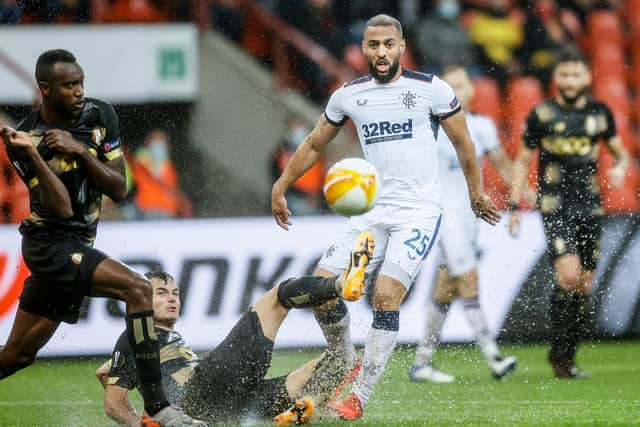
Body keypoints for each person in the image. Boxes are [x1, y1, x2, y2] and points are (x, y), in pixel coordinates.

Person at [271, 14, 500, 420]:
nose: (381, 52)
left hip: (419, 212)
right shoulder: (348, 96)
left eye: (388, 44)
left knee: (385, 296)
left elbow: (464, 143)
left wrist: (476, 194)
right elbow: (312, 144)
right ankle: (344, 357)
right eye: (373, 45)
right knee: (320, 288)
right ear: (363, 49)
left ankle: (360, 392)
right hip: (370, 210)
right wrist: (281, 185)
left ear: (401, 45)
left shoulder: (431, 89)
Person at [0, 49, 203, 426]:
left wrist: (80, 151)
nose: (78, 91)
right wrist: (38, 157)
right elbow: (60, 208)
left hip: (78, 246)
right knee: (139, 290)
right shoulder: (26, 139)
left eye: (80, 82)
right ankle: (159, 407)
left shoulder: (100, 115)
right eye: (68, 85)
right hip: (49, 246)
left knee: (16, 356)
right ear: (45, 89)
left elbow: (118, 188)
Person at [96, 231, 375, 426]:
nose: (172, 298)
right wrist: (140, 423)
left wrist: (132, 384)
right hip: (202, 390)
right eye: (161, 293)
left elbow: (104, 372)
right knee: (277, 298)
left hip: (231, 405)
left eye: (175, 293)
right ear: (143, 298)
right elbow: (113, 401)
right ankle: (340, 285)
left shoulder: (151, 342)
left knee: (335, 362)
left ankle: (307, 407)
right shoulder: (137, 332)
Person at [509, 49, 629, 378]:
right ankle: (559, 354)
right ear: (555, 79)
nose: (570, 81)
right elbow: (522, 160)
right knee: (569, 276)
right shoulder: (542, 114)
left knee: (583, 286)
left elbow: (622, 154)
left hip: (590, 206)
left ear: (587, 78)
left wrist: (619, 169)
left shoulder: (600, 114)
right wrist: (516, 203)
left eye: (576, 75)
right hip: (555, 205)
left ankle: (566, 354)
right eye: (564, 75)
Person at [410, 65, 517, 383]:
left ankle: (422, 363)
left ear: (472, 90)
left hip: (471, 218)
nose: (457, 91)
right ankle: (494, 357)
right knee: (468, 281)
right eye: (450, 85)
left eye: (461, 84)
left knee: (447, 289)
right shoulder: (430, 127)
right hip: (446, 217)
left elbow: (503, 166)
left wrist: (518, 197)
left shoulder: (482, 126)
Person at [131, 128, 192, 219]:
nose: (159, 146)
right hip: (148, 208)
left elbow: (171, 187)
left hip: (167, 210)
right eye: (156, 142)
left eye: (161, 142)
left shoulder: (167, 164)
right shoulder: (141, 162)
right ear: (148, 144)